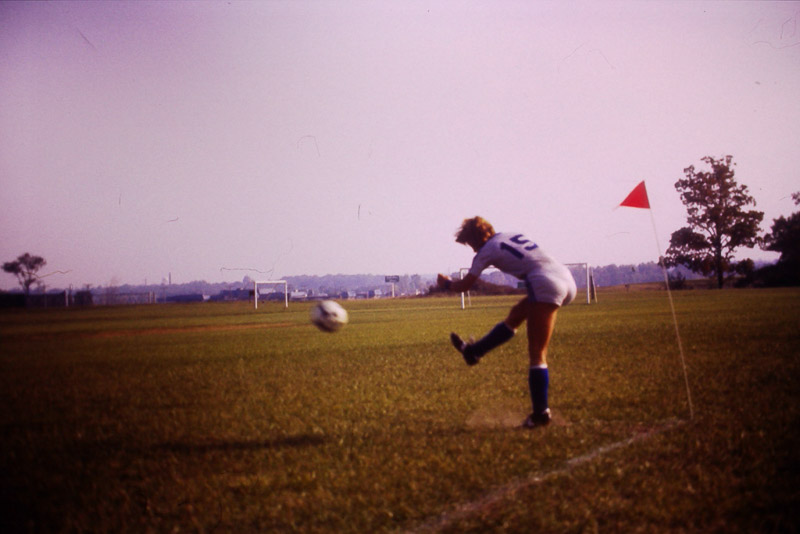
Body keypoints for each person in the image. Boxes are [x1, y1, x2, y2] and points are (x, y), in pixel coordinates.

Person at [437, 216, 576, 429]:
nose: (473, 249)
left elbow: (464, 285)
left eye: (471, 243)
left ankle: (540, 414)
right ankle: (474, 352)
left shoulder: (486, 250)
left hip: (545, 282)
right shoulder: (511, 235)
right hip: (565, 278)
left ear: (477, 238)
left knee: (537, 353)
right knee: (516, 315)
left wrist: (446, 284)